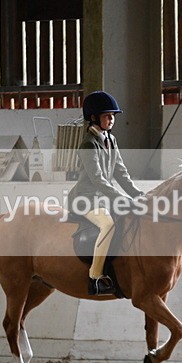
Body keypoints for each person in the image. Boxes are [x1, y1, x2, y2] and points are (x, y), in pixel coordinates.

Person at [67, 91, 145, 295]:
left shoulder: (111, 139)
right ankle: (95, 276)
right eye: (107, 116)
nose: (111, 120)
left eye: (113, 116)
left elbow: (120, 172)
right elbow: (98, 180)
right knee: (108, 225)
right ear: (94, 117)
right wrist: (122, 199)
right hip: (86, 200)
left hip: (104, 199)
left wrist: (137, 194)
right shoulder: (88, 144)